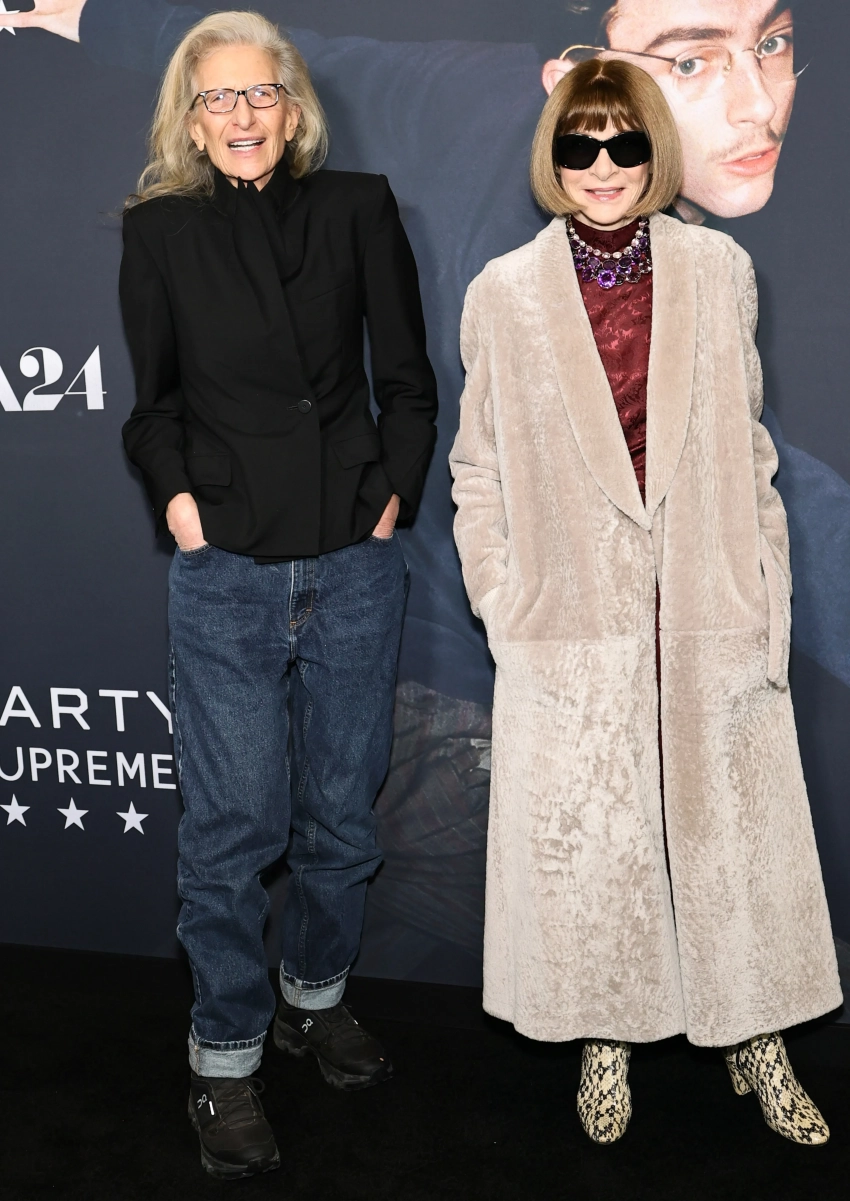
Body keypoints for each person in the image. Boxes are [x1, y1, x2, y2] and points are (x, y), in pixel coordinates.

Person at [7, 0, 850, 978]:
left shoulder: (496, 120)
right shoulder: (552, 260)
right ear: (569, 77)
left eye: (771, 43)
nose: (757, 105)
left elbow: (305, 67)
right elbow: (759, 499)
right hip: (477, 715)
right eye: (691, 64)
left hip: (476, 677)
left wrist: (91, 13)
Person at [450, 58, 841, 1145]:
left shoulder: (718, 271)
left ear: (652, 151)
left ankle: (757, 1039)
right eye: (580, 143)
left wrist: (763, 589)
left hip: (711, 607)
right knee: (596, 850)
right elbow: (477, 471)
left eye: (625, 143)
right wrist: (506, 603)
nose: (604, 165)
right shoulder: (503, 294)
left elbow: (752, 450)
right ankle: (604, 1037)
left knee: (737, 841)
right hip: (569, 622)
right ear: (554, 154)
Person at [118, 10, 437, 1179]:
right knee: (233, 828)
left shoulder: (357, 206)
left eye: (261, 93)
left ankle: (314, 998)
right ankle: (225, 1058)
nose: (242, 114)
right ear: (192, 118)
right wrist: (182, 507)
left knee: (341, 816)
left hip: (352, 553)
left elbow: (406, 378)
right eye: (220, 97)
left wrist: (390, 493)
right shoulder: (160, 230)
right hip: (228, 566)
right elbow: (152, 404)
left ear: (293, 110)